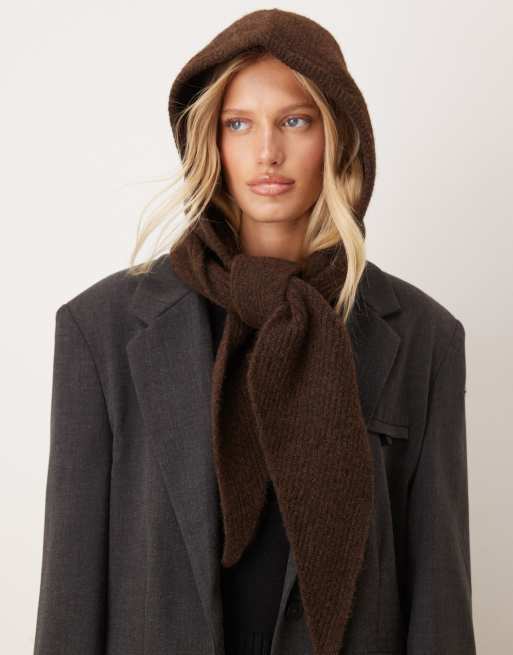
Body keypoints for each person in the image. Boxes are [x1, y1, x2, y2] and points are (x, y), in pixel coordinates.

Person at [33, 8, 477, 655]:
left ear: (339, 134)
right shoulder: (100, 329)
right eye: (238, 124)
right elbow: (70, 596)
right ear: (209, 142)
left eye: (295, 120)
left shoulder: (422, 337)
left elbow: (439, 597)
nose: (267, 152)